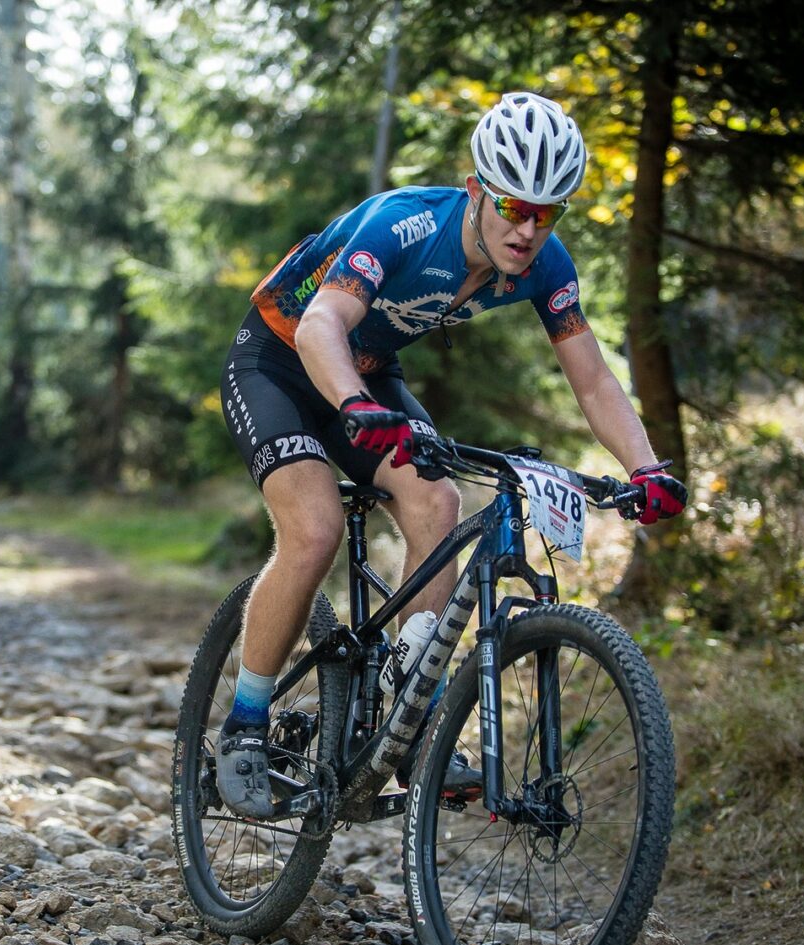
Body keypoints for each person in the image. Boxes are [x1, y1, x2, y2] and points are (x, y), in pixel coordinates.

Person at [213, 91, 689, 817]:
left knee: (438, 499)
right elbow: (319, 326)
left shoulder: (544, 265)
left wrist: (645, 466)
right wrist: (354, 407)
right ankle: (244, 726)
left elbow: (591, 379)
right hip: (279, 359)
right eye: (512, 206)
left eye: (547, 212)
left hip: (366, 373)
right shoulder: (403, 225)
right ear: (476, 191)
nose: (528, 229)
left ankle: (407, 717)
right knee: (313, 530)